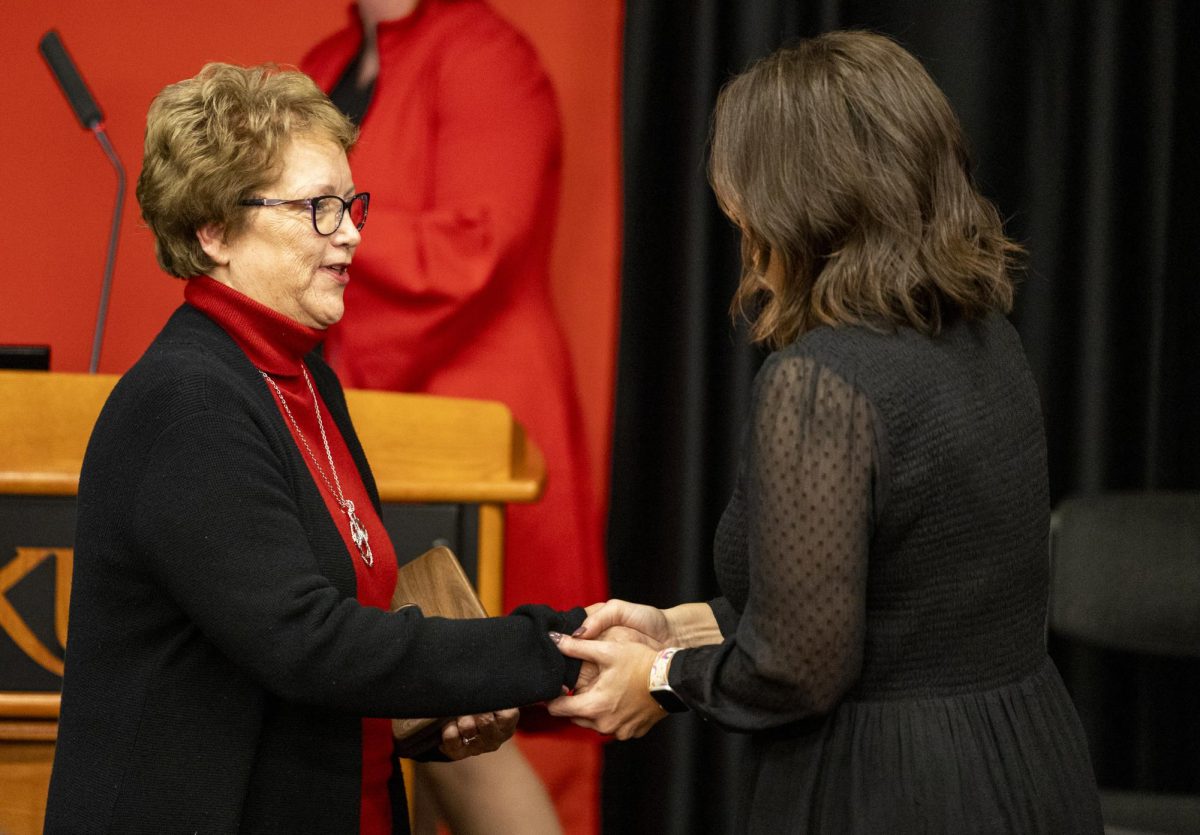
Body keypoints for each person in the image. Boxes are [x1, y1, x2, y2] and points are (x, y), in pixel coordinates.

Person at [547, 31, 1105, 834]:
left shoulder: (820, 384)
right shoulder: (988, 338)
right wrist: (678, 626)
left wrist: (662, 676)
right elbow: (888, 605)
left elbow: (798, 669)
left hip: (888, 789)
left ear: (798, 204)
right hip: (1024, 761)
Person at [43, 62, 584, 835]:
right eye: (318, 209)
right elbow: (307, 642)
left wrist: (430, 717)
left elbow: (333, 644)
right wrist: (553, 648)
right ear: (214, 229)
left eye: (351, 204)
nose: (353, 232)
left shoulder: (305, 382)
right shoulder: (186, 402)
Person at [300, 2, 607, 832]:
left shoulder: (483, 54)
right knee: (402, 717)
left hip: (469, 418)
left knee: (482, 718)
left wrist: (315, 226)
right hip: (355, 414)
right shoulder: (326, 59)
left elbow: (474, 246)